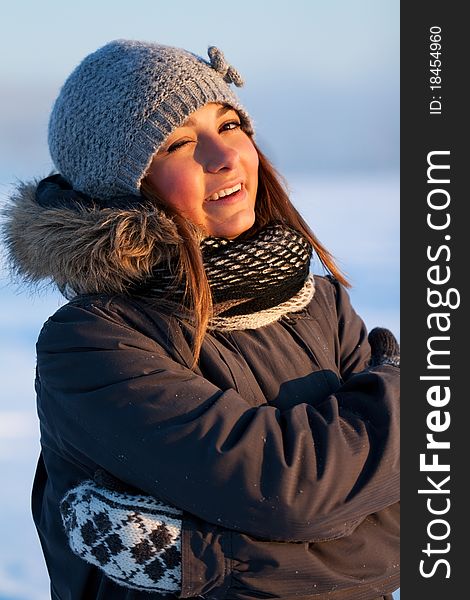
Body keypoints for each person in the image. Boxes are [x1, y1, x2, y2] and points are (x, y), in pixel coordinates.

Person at [1, 40, 400, 600]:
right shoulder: (92, 345)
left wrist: (211, 558)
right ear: (126, 190)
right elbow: (290, 492)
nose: (225, 156)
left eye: (230, 124)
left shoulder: (319, 304)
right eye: (179, 143)